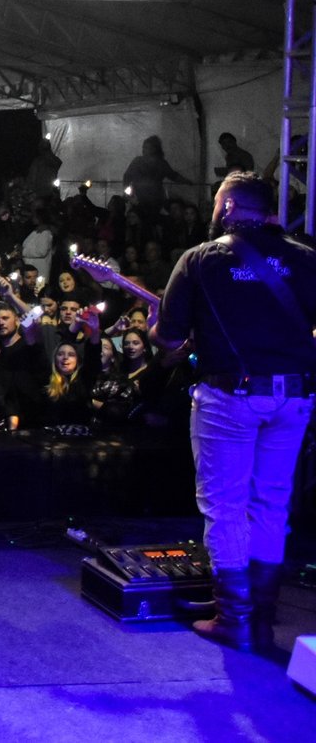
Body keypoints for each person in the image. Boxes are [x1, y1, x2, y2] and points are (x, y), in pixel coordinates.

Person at [150, 171, 316, 651]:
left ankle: (234, 618)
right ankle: (260, 616)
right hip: (293, 397)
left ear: (226, 207)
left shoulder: (201, 259)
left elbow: (169, 338)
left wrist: (158, 326)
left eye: (217, 202)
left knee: (225, 506)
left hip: (230, 398)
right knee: (271, 504)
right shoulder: (306, 259)